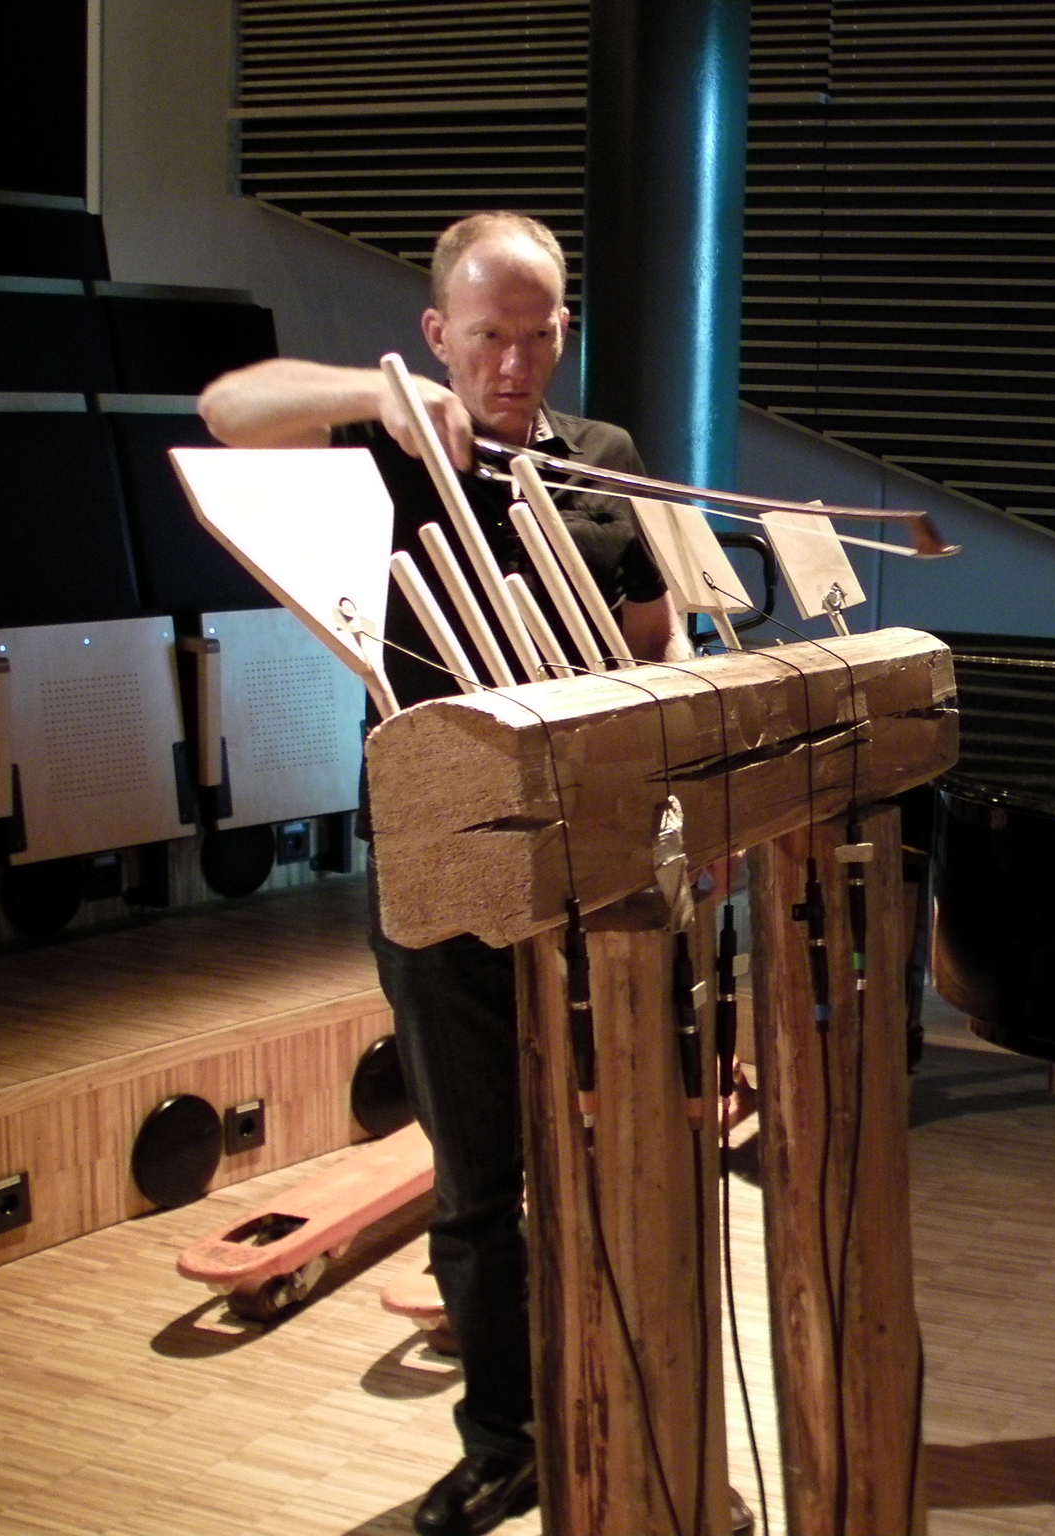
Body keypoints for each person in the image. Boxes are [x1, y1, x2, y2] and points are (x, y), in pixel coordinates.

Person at [199, 212, 692, 1536]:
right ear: (437, 335)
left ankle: (634, 1410)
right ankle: (507, 1442)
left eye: (538, 338)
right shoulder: (390, 443)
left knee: (623, 1157)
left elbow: (656, 642)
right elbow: (228, 410)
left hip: (592, 862)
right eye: (486, 339)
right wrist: (380, 398)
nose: (514, 367)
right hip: (438, 859)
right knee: (478, 1182)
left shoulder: (606, 461)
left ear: (564, 331)